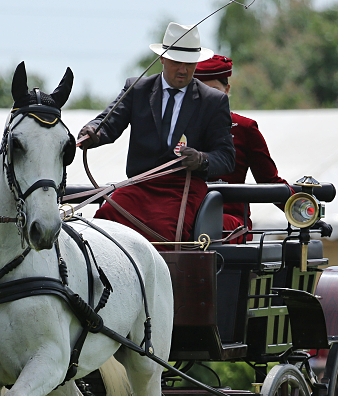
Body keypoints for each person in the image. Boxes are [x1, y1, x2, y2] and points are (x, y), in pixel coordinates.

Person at [79, 22, 235, 244]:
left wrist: (201, 159)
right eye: (176, 62)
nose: (183, 70)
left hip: (183, 189)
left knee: (162, 234)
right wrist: (92, 131)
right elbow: (107, 122)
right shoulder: (137, 89)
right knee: (104, 222)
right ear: (162, 58)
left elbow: (227, 157)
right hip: (138, 185)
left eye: (189, 64)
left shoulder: (213, 101)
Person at [192, 54, 289, 232]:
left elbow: (269, 180)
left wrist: (300, 209)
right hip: (184, 213)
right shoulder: (177, 127)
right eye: (201, 92)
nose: (207, 99)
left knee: (206, 227)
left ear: (227, 90)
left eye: (214, 91)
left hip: (229, 221)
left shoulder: (244, 128)